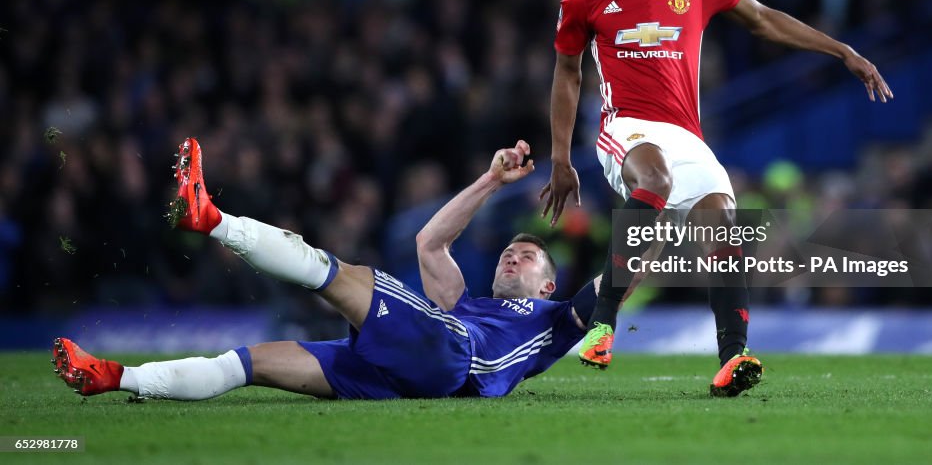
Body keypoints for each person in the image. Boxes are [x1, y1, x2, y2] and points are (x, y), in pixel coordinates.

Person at [539, 0, 893, 395]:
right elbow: (567, 73)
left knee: (724, 230)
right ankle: (603, 324)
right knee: (655, 180)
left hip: (686, 133)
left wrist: (842, 51)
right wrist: (560, 157)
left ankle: (733, 358)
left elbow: (764, 20)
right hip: (625, 125)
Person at [53, 137, 606, 401]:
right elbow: (430, 242)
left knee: (341, 273)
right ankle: (114, 377)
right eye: (509, 251)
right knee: (251, 364)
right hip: (403, 370)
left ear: (547, 283)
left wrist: (674, 229)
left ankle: (212, 218)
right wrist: (490, 181)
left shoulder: (555, 317)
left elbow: (617, 281)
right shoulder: (465, 301)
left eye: (527, 256)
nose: (513, 256)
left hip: (453, 356)